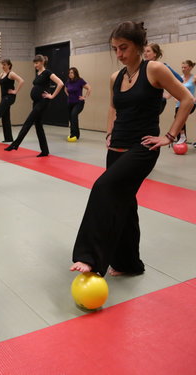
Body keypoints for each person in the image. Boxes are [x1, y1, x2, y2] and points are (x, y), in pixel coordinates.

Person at [70, 21, 193, 277]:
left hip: (142, 148)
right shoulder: (116, 77)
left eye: (123, 48)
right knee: (126, 204)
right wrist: (108, 132)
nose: (119, 54)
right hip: (115, 148)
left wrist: (169, 136)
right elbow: (113, 108)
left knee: (103, 187)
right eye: (115, 49)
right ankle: (128, 264)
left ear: (138, 46)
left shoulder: (155, 69)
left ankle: (89, 256)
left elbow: (187, 99)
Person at [4, 55, 64, 157]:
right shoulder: (38, 73)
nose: (34, 65)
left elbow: (60, 83)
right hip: (36, 102)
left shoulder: (47, 72)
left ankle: (15, 144)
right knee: (38, 126)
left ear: (41, 62)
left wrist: (52, 95)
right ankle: (44, 150)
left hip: (43, 102)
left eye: (36, 63)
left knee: (28, 122)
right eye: (34, 63)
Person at [0, 59, 24, 142]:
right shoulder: (2, 74)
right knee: (5, 117)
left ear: (9, 65)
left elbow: (21, 81)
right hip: (4, 97)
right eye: (2, 64)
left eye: (4, 65)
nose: (2, 66)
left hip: (9, 97)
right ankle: (8, 138)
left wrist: (15, 91)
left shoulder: (11, 74)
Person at [143, 43, 183, 114]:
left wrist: (169, 94)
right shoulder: (142, 67)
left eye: (148, 51)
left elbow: (180, 80)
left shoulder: (162, 66)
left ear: (155, 54)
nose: (145, 53)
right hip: (144, 100)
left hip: (155, 101)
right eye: (144, 51)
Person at [172, 60, 196, 144]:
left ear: (190, 68)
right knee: (178, 120)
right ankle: (181, 138)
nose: (183, 69)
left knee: (179, 117)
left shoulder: (194, 78)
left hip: (190, 103)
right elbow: (176, 90)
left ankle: (182, 137)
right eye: (182, 67)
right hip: (179, 103)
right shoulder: (180, 78)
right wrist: (175, 97)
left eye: (185, 67)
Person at [64, 67, 91, 140]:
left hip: (78, 103)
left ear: (75, 73)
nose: (70, 74)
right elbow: (65, 89)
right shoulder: (68, 81)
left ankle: (74, 135)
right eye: (69, 73)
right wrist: (68, 95)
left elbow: (89, 88)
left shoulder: (80, 80)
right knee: (71, 118)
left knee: (73, 115)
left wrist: (85, 97)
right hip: (70, 103)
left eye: (72, 72)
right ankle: (76, 134)